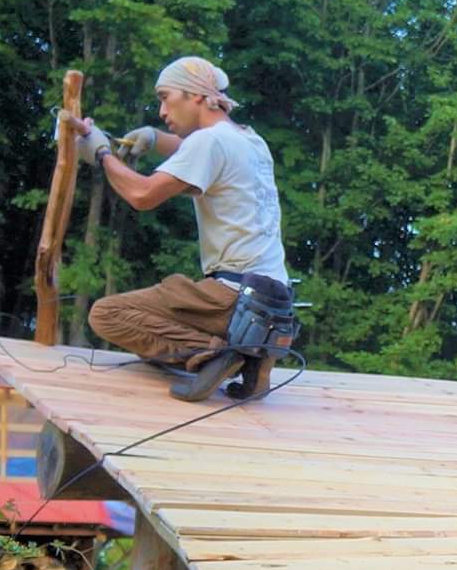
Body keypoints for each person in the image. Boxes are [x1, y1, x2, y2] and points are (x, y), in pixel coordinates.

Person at [75, 56, 293, 398]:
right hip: (272, 302)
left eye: (165, 96)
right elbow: (192, 148)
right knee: (157, 321)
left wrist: (102, 152)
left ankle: (215, 355)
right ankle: (253, 356)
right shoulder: (250, 141)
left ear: (195, 95)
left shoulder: (209, 143)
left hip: (231, 296)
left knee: (108, 314)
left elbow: (142, 195)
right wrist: (153, 138)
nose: (162, 110)